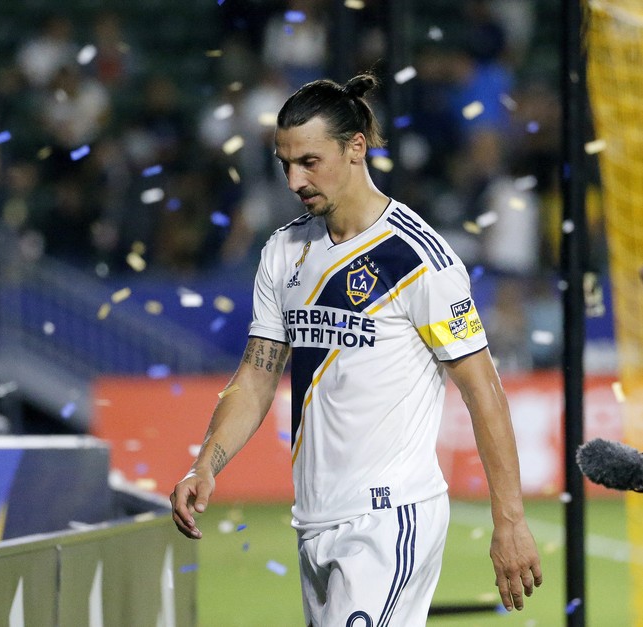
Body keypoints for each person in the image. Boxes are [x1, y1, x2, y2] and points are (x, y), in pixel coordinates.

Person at [170, 73, 542, 626]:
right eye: (285, 164)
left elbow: (483, 390)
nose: (295, 180)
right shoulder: (283, 251)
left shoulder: (417, 259)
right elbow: (255, 377)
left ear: (355, 148)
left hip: (389, 521)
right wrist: (206, 463)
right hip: (314, 520)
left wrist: (509, 519)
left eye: (310, 162)